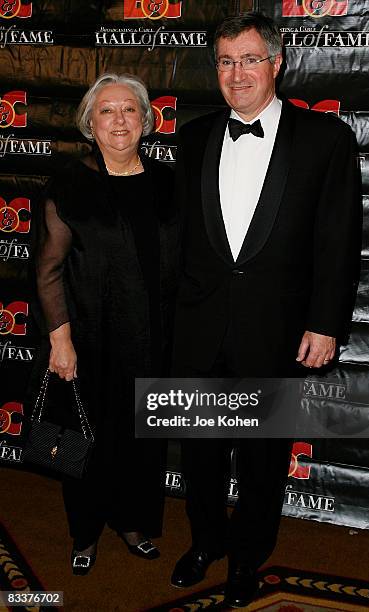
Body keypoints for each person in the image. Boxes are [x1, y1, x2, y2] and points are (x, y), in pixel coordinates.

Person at [170, 11, 361, 608]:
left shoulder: (327, 139)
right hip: (198, 326)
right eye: (225, 61)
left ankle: (247, 560)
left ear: (277, 62)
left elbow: (338, 239)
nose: (237, 73)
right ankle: (205, 542)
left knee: (262, 458)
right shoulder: (194, 135)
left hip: (276, 331)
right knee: (199, 452)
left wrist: (326, 323)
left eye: (250, 58)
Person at [34, 73, 178, 575]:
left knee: (142, 440)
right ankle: (85, 531)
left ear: (146, 120)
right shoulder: (70, 184)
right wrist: (61, 340)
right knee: (86, 440)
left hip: (152, 340)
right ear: (89, 125)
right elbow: (49, 269)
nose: (119, 120)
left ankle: (133, 521)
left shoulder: (168, 182)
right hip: (90, 340)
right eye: (106, 111)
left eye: (129, 110)